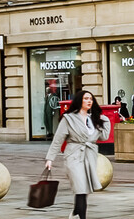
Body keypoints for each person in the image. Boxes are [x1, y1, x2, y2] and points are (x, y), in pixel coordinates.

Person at [42, 89, 109, 217]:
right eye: (86, 98)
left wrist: (102, 118)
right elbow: (58, 140)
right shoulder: (69, 119)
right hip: (73, 155)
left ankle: (75, 214)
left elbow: (103, 137)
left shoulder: (93, 119)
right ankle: (80, 216)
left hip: (90, 156)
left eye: (91, 99)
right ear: (79, 101)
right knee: (80, 188)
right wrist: (50, 159)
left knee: (84, 190)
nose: (89, 101)